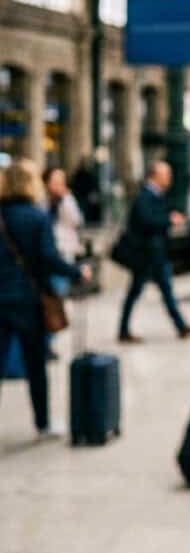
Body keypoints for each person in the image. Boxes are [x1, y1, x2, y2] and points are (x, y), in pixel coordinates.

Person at [0, 159, 90, 439]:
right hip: (29, 300)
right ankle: (42, 423)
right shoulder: (37, 217)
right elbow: (49, 258)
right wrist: (77, 271)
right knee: (36, 364)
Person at [117, 161, 190, 343]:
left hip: (156, 254)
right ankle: (123, 330)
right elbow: (147, 222)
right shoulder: (145, 197)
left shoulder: (156, 195)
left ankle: (181, 326)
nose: (169, 178)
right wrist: (169, 220)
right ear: (155, 175)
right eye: (166, 174)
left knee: (165, 291)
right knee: (135, 292)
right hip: (145, 255)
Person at [42, 167, 83, 298]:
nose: (58, 186)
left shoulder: (67, 200)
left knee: (60, 291)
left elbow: (76, 220)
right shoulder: (42, 200)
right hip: (46, 252)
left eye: (61, 182)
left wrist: (65, 200)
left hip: (63, 251)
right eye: (55, 182)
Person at [70, 157, 101, 225]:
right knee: (83, 208)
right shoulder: (80, 174)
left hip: (84, 195)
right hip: (82, 195)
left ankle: (85, 220)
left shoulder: (87, 173)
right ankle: (84, 220)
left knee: (85, 208)